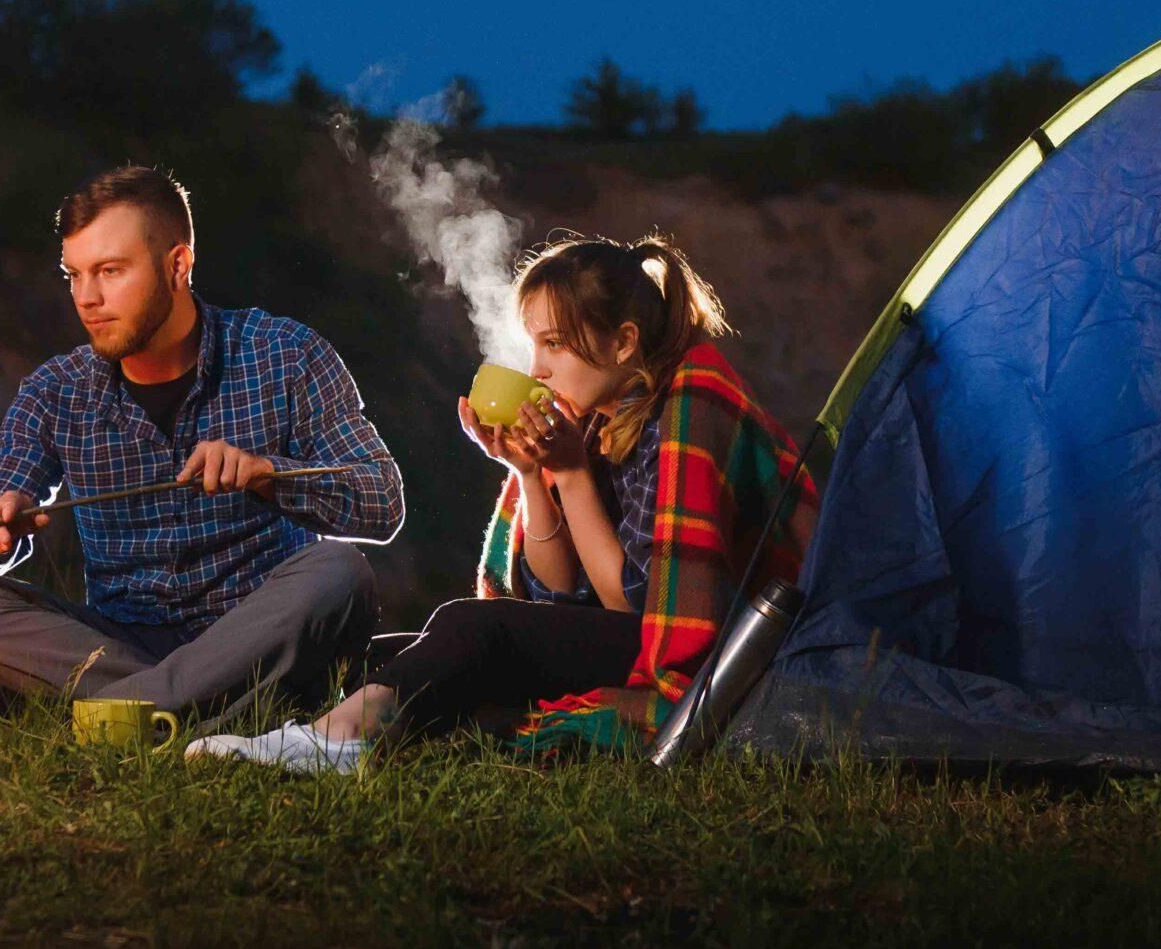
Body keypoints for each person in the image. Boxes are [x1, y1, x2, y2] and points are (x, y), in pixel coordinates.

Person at [189, 231, 815, 772]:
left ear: (624, 342)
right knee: (394, 653)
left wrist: (569, 475)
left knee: (473, 629)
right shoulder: (594, 421)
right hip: (631, 635)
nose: (537, 368)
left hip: (716, 655)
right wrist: (531, 473)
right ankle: (313, 727)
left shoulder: (688, 408)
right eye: (534, 344)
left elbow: (637, 607)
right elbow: (557, 592)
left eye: (555, 344)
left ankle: (337, 743)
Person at [0, 165, 405, 723]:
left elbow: (381, 501)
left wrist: (267, 475)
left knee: (340, 570)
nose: (87, 298)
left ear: (178, 265)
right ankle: (188, 707)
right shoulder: (55, 390)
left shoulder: (285, 353)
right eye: (74, 275)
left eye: (110, 271)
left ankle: (123, 707)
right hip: (117, 641)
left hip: (257, 632)